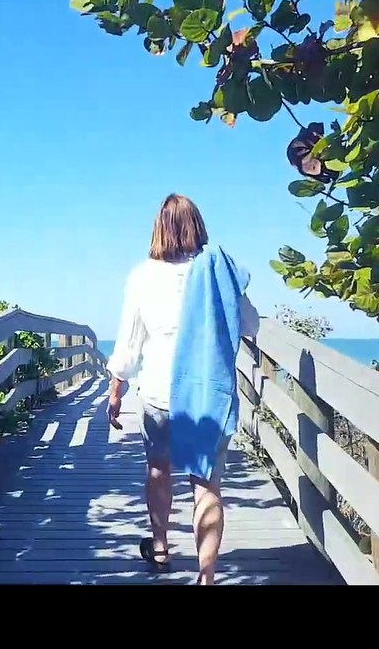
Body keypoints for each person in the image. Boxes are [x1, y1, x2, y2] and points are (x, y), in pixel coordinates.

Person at [105, 193, 260, 585]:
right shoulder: (216, 273)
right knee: (206, 483)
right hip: (206, 392)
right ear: (197, 226)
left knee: (158, 467)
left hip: (157, 389)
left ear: (159, 227)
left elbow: (129, 340)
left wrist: (116, 388)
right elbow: (250, 326)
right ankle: (206, 577)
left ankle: (159, 548)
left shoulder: (141, 276)